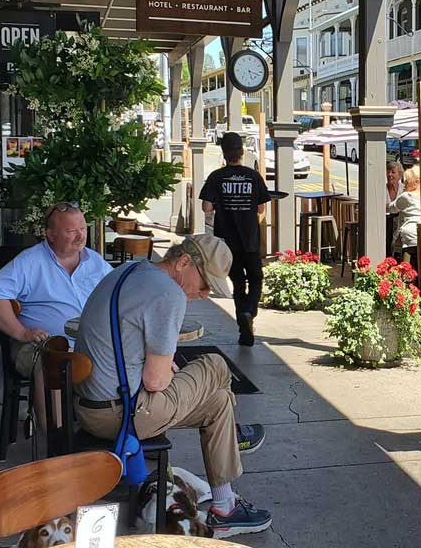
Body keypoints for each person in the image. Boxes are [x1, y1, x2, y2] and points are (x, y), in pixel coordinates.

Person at [74, 234, 272, 539]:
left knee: (219, 401)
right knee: (216, 365)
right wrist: (166, 370)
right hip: (121, 415)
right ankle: (233, 434)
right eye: (205, 283)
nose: (205, 294)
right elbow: (156, 381)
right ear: (183, 262)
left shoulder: (130, 271)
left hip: (92, 404)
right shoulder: (168, 293)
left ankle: (225, 508)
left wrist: (163, 367)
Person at [0, 202, 112, 379]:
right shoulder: (30, 261)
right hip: (44, 345)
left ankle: (101, 407)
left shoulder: (95, 261)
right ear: (51, 235)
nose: (81, 236)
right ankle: (52, 408)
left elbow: (120, 294)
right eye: (71, 231)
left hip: (92, 343)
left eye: (83, 228)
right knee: (52, 365)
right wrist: (22, 332)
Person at [200, 132, 274, 346]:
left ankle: (244, 328)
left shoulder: (216, 177)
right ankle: (250, 311)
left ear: (224, 154)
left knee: (238, 283)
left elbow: (206, 207)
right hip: (249, 238)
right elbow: (261, 208)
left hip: (226, 242)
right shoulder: (253, 176)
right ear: (242, 153)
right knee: (256, 278)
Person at [388, 165, 421, 257]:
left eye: (407, 180)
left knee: (405, 266)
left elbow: (392, 208)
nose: (405, 183)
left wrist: (403, 192)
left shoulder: (407, 196)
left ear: (416, 182)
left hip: (410, 238)